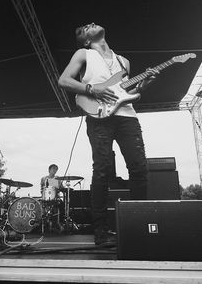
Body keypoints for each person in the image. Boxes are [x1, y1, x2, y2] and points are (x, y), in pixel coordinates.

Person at [58, 23, 158, 245]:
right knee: (102, 171)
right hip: (98, 116)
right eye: (85, 27)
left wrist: (144, 85)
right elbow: (63, 80)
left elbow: (128, 93)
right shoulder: (83, 53)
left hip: (127, 116)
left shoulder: (124, 61)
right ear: (85, 40)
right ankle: (101, 233)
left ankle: (139, 227)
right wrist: (93, 89)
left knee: (139, 168)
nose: (90, 24)